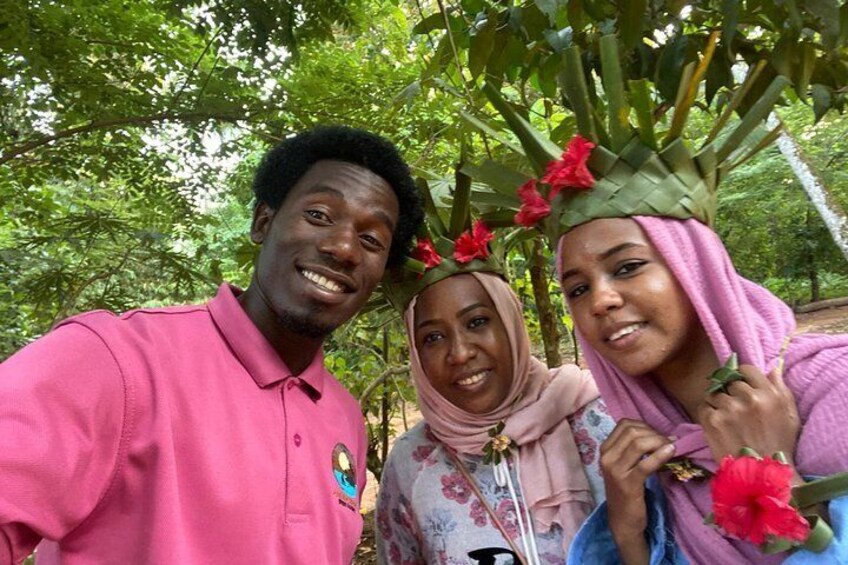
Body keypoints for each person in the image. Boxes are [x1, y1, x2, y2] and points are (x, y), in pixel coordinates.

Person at [478, 37, 848, 564]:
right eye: (578, 288)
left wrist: (771, 475)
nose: (601, 301)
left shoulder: (833, 392)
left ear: (694, 268)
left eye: (627, 267)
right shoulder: (655, 450)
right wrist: (629, 532)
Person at [0, 125, 424, 564]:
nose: (343, 248)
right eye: (318, 214)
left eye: (372, 239)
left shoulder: (344, 416)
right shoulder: (113, 359)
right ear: (263, 222)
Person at [375, 219, 615, 564]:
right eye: (433, 337)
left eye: (477, 322)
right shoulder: (412, 463)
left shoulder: (603, 416)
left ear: (511, 322)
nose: (459, 353)